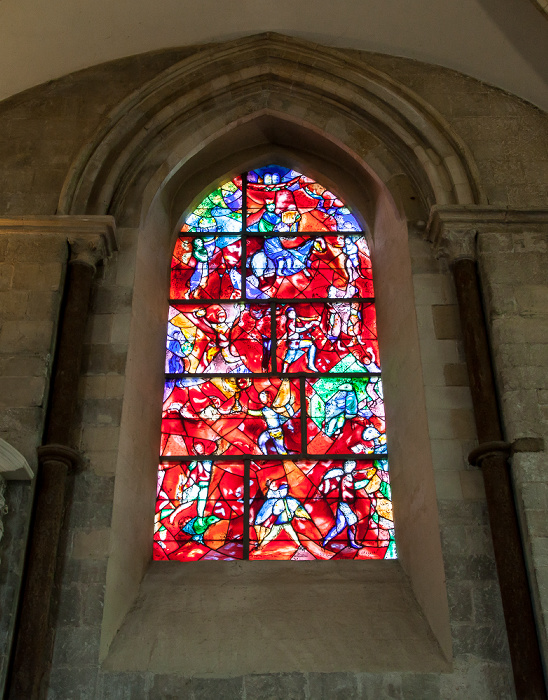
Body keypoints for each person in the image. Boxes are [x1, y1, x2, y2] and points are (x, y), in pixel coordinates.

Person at [319, 460, 368, 549]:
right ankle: (353, 543)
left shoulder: (348, 476)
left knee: (340, 525)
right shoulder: (345, 478)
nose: (350, 467)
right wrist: (366, 482)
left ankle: (325, 540)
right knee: (352, 522)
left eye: (352, 466)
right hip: (344, 504)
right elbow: (353, 486)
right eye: (348, 466)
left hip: (343, 504)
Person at [254, 481, 311, 550]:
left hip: (283, 522)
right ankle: (260, 546)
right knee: (274, 535)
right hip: (281, 522)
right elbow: (276, 511)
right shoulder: (283, 500)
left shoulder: (286, 500)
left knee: (289, 533)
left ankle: (299, 545)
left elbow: (276, 511)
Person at [282, 307, 319, 372]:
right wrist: (307, 327)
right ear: (288, 315)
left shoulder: (294, 321)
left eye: (294, 312)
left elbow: (303, 320)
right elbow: (296, 330)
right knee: (289, 359)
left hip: (297, 342)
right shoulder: (290, 322)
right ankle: (283, 373)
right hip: (293, 343)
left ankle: (310, 364)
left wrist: (311, 322)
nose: (294, 314)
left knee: (311, 345)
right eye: (291, 313)